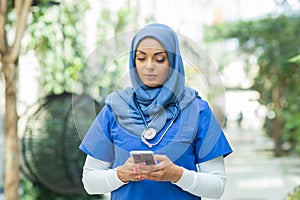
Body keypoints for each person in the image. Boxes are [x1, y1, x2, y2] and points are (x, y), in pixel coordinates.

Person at [79, 23, 232, 200]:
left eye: (159, 59)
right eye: (141, 58)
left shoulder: (197, 110)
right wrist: (121, 174)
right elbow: (90, 182)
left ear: (173, 62)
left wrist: (177, 175)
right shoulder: (115, 108)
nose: (149, 66)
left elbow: (217, 187)